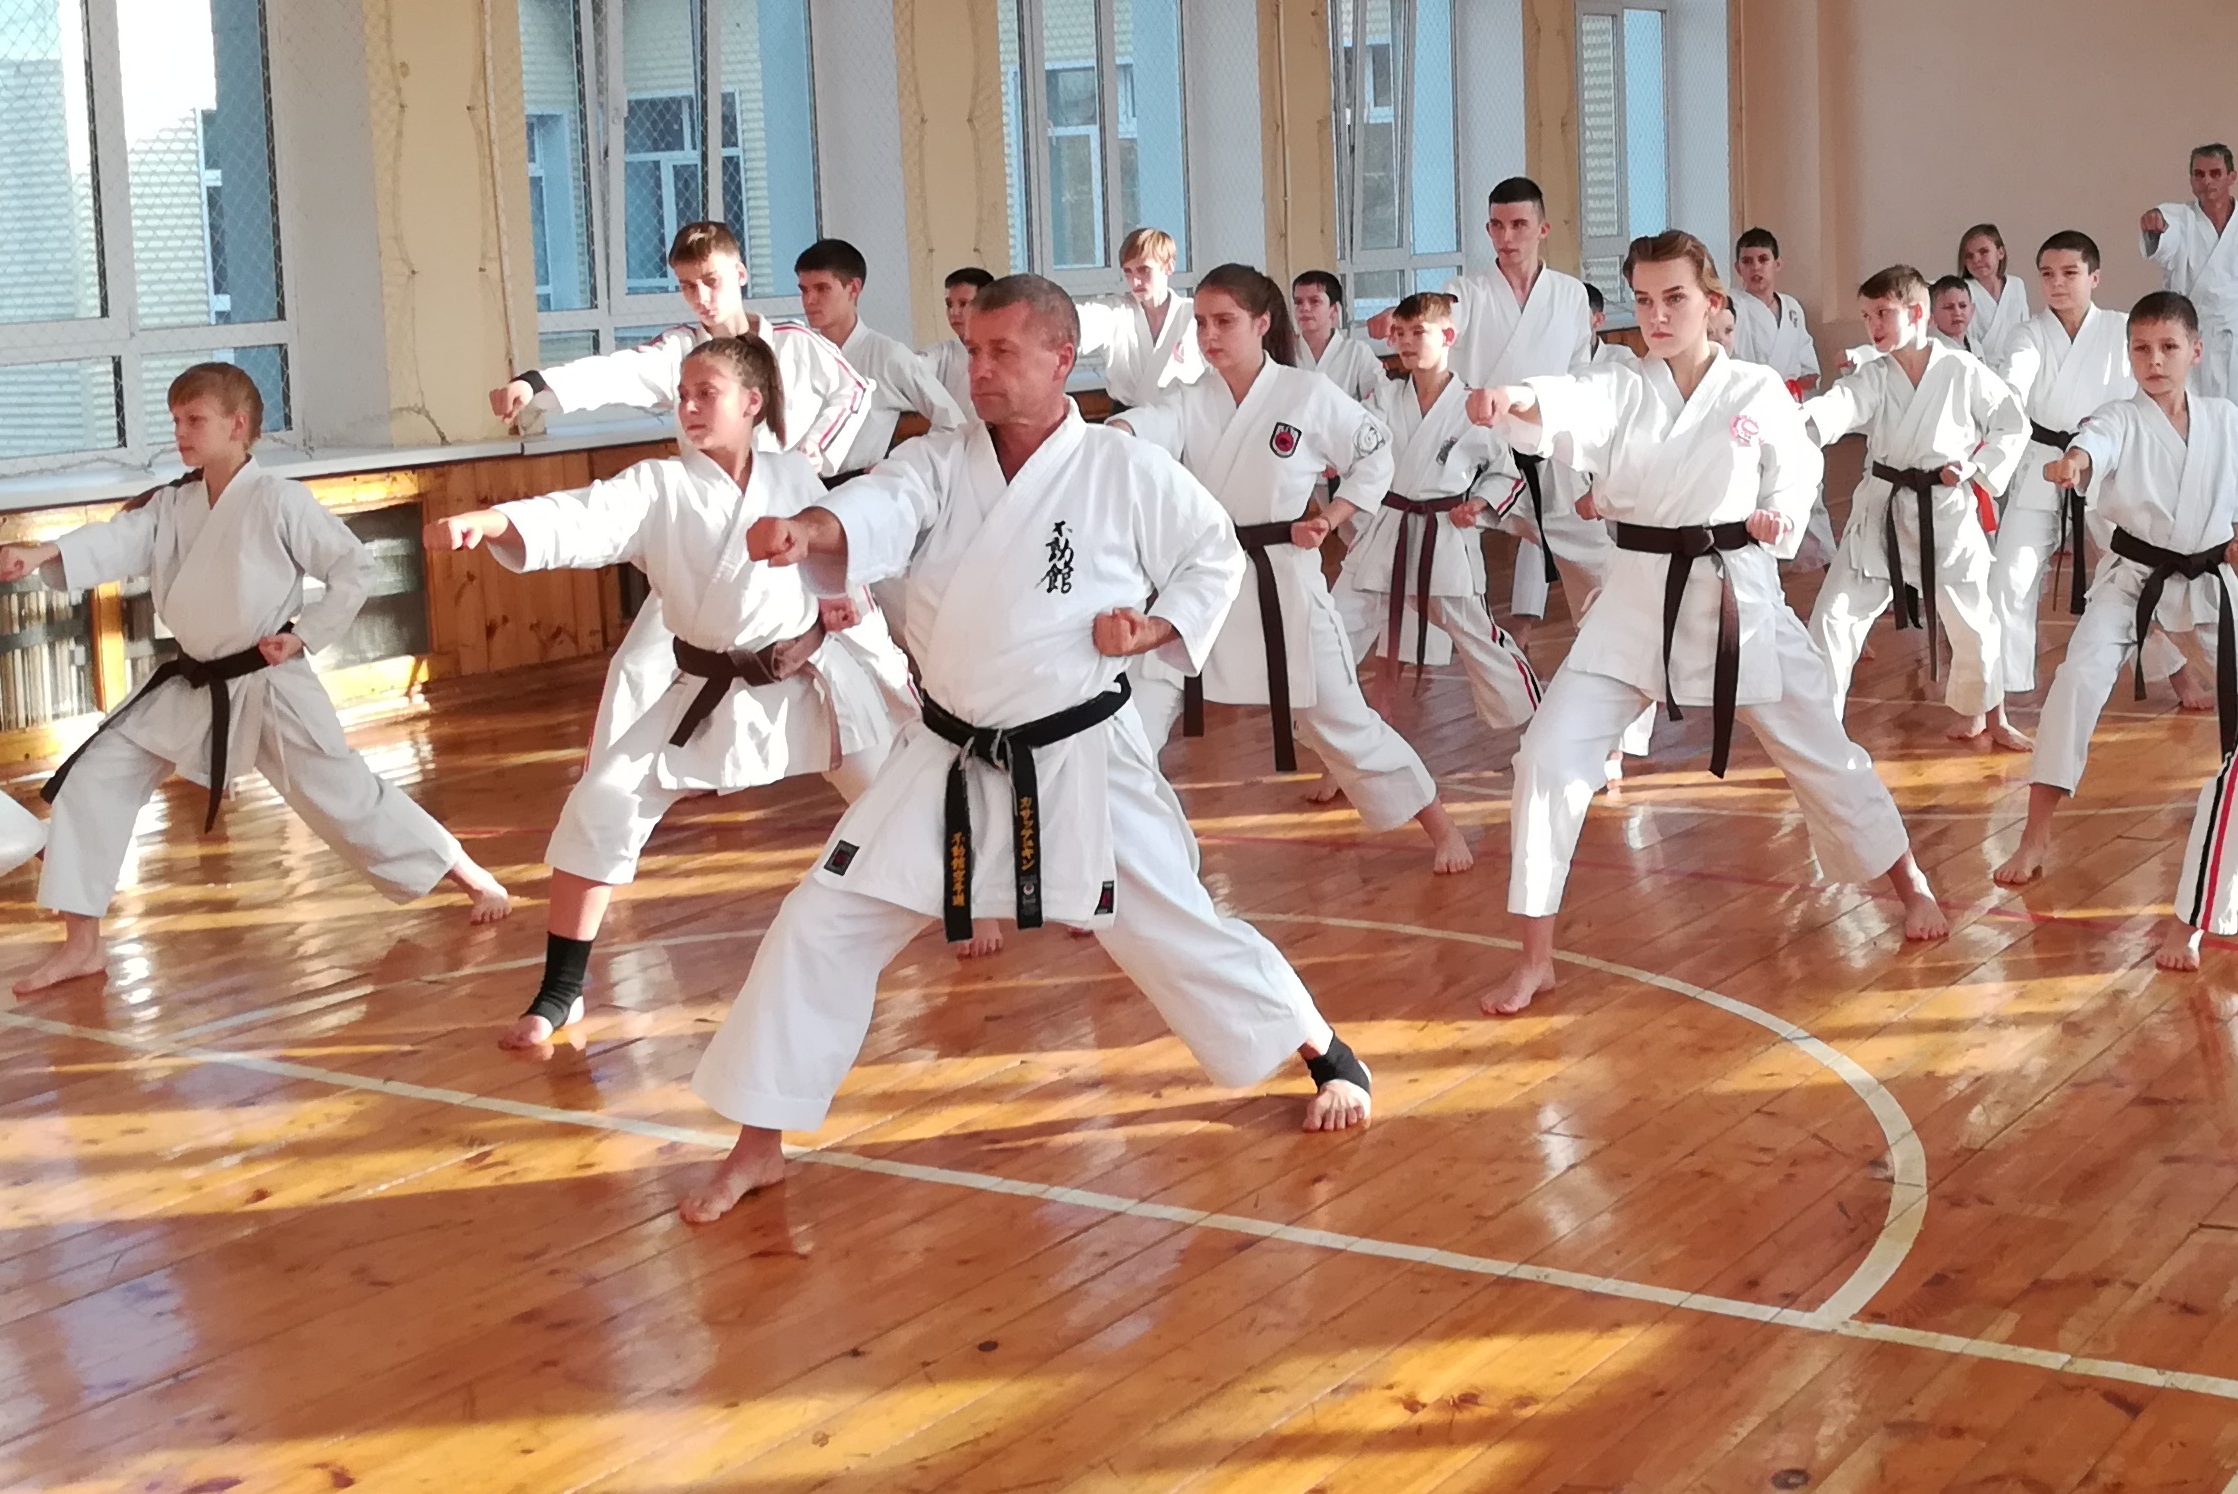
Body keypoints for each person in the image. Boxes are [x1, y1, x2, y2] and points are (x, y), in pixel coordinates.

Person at [675, 275, 1378, 1222]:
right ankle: (759, 1143)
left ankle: (1325, 1050)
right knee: (820, 921)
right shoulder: (938, 461)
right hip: (948, 755)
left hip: (1081, 752)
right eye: (973, 351)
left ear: (1061, 358)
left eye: (1003, 351)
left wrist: (1157, 628)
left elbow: (1211, 553)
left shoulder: (1119, 467)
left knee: (1177, 926)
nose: (980, 369)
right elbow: (878, 509)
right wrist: (814, 530)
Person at [1467, 232, 1947, 1016]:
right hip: (1633, 601)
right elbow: (1565, 402)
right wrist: (1514, 398)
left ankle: (1910, 881)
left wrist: (1778, 517)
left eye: (1675, 299)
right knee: (1546, 758)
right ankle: (1536, 959)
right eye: (1644, 301)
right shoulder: (1619, 382)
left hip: (1737, 600)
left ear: (1712, 302)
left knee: (1823, 752)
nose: (1657, 316)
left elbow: (1796, 473)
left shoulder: (1755, 390)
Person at [427, 338, 913, 1049]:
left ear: (752, 403)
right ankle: (561, 991)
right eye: (682, 395)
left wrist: (851, 614)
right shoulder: (658, 486)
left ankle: (971, 909)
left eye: (705, 394)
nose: (687, 407)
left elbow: (836, 562)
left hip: (808, 682)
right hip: (705, 688)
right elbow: (579, 516)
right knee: (601, 805)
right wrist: (495, 522)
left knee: (898, 797)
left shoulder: (794, 476)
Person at [0, 364, 510, 996]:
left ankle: (471, 876)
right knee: (94, 779)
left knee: (346, 798)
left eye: (195, 420)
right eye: (176, 420)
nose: (181, 433)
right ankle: (82, 946)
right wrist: (41, 554)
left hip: (269, 681)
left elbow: (353, 568)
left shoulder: (278, 499)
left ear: (237, 425)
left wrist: (304, 634)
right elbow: (116, 539)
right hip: (193, 683)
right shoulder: (173, 504)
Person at [1112, 265, 1474, 874]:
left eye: (1224, 322)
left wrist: (1332, 518)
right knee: (1134, 720)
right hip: (1201, 585)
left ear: (1262, 323)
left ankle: (1440, 826)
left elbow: (1374, 454)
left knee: (1343, 720)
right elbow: (1141, 429)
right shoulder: (1189, 400)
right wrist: (1105, 433)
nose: (1209, 335)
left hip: (1283, 583)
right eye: (1201, 323)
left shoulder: (1306, 394)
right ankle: (1125, 859)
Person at [1996, 293, 2238, 893]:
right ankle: (2034, 836)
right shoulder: (2119, 417)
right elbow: (2094, 442)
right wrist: (2075, 462)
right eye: (2141, 349)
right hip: (2132, 580)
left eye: (2168, 347)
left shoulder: (2225, 419)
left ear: (2195, 351)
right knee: (2076, 681)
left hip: (2208, 581)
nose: (2154, 361)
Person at [1366, 179, 1610, 635]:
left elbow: (1580, 374)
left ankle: (1608, 651)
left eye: (1519, 225)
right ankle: (1409, 651)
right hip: (1475, 454)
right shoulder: (1466, 291)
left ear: (1543, 229)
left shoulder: (1571, 294)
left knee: (1600, 569)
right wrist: (1398, 316)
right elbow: (1438, 315)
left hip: (1547, 452)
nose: (1507, 237)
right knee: (1425, 563)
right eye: (1497, 226)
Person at [1802, 265, 2029, 746]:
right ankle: (1819, 732)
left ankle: (1989, 715)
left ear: (1918, 312)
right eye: (1867, 316)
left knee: (1972, 622)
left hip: (1945, 510)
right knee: (1833, 617)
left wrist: (1977, 467)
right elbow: (1839, 405)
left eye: (1883, 313)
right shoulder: (1874, 376)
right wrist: (1796, 422)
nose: (1873, 326)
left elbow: (2012, 424)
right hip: (1882, 511)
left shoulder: (1961, 370)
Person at [487, 222, 873, 476]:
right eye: (688, 286)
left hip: (790, 505)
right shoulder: (680, 352)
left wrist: (813, 450)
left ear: (740, 274)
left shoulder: (794, 341)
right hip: (711, 505)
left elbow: (855, 390)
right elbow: (615, 372)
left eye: (711, 281)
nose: (701, 297)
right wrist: (535, 383)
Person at [1327, 291, 1543, 733]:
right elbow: (1351, 436)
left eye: (1417, 332)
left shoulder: (1472, 406)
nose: (1406, 342)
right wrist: (1330, 453)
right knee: (1333, 628)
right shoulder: (1386, 398)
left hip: (1443, 534)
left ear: (1447, 336)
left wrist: (1479, 504)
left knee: (1478, 637)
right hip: (1387, 530)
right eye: (1399, 333)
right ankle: (1330, 729)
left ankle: (1536, 720)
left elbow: (1504, 474)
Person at [1986, 232, 2144, 704]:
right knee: (2010, 572)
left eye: (2070, 273)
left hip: (2106, 463)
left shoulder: (2121, 329)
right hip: (2044, 460)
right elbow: (2014, 379)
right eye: (2048, 274)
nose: (2057, 283)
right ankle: (2007, 687)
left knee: (2139, 568)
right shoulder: (2028, 334)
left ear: (2095, 277)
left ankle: (2173, 670)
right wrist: (2001, 402)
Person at [794, 238, 967, 479]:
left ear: (853, 288)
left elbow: (953, 422)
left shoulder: (887, 355)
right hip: (802, 483)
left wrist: (906, 463)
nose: (809, 300)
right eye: (804, 290)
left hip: (860, 485)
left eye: (822, 288)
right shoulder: (799, 353)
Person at [2142, 144, 2238, 398]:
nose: (2207, 181)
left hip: (2234, 336)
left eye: (2215, 173)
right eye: (2199, 174)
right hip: (2190, 334)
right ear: (2192, 180)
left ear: (2232, 177)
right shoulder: (2180, 219)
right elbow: (2166, 229)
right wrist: (2156, 224)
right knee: (2191, 408)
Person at [1074, 227, 1205, 409]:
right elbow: (1079, 320)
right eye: (1128, 272)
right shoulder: (1116, 312)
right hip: (1126, 418)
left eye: (1144, 270)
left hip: (1182, 416)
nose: (1135, 281)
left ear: (1169, 266)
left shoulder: (1193, 314)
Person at [1731, 227, 1820, 397]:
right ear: (1738, 268)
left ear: (1777, 264)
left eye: (1763, 259)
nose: (1755, 267)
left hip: (1789, 401)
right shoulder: (1732, 305)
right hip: (1748, 401)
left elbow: (1810, 371)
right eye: (1747, 261)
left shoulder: (1792, 308)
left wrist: (1790, 388)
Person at [1291, 271, 1387, 402]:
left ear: (1334, 309)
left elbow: (1380, 400)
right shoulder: (1286, 352)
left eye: (1314, 301)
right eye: (1298, 302)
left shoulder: (1357, 352)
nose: (1304, 308)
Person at [923, 266, 993, 411]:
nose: (953, 312)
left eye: (963, 304)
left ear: (987, 305)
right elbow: (911, 365)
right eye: (949, 305)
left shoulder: (1011, 350)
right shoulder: (943, 353)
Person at [1959, 224, 2029, 360]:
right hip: (1977, 365)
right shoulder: (1962, 290)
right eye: (1969, 256)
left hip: (2016, 364)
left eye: (1984, 252)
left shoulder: (2017, 285)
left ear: (2000, 252)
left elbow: (2025, 331)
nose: (1976, 260)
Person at [1930, 275, 1977, 351]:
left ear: (1972, 310)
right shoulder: (1931, 349)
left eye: (1962, 306)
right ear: (1932, 313)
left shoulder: (1976, 346)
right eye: (1949, 307)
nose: (1957, 313)